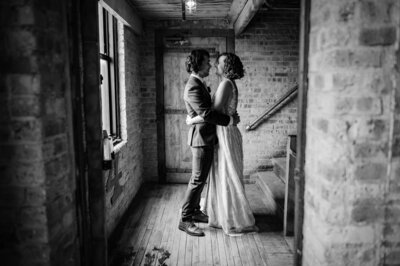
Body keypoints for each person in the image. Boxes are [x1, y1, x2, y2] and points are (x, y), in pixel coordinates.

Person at [186, 52, 258, 236]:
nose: (214, 64)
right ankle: (223, 213)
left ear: (227, 66)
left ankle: (231, 216)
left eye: (218, 62)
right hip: (223, 130)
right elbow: (212, 112)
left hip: (225, 133)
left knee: (227, 174)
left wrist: (192, 119)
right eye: (211, 62)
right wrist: (196, 118)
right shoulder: (225, 83)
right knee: (222, 174)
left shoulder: (226, 83)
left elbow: (213, 111)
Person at [179, 49, 240, 237]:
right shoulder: (193, 86)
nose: (210, 65)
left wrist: (192, 119)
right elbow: (207, 114)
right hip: (200, 139)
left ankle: (196, 211)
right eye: (206, 62)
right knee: (197, 179)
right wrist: (230, 121)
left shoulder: (199, 83)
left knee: (202, 178)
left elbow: (205, 112)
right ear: (198, 64)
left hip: (206, 138)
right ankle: (185, 219)